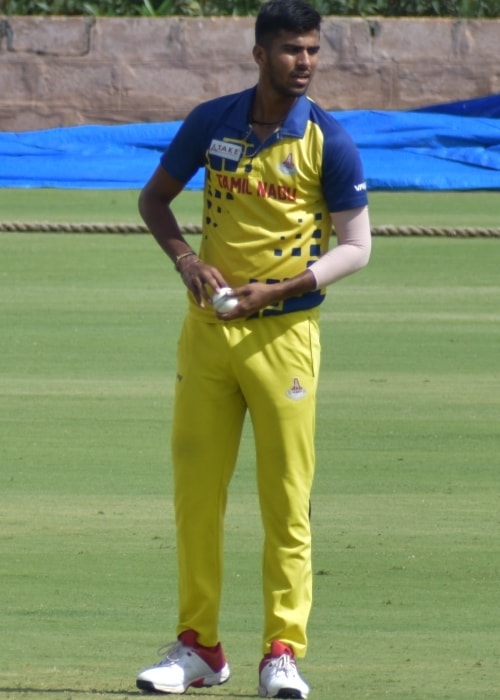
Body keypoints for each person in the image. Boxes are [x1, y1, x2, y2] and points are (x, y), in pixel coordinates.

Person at [135, 1, 371, 697]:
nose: (305, 63)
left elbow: (358, 247)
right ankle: (198, 647)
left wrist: (285, 287)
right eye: (292, 50)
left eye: (313, 51)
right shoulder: (214, 121)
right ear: (260, 53)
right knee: (196, 496)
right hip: (208, 335)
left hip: (287, 335)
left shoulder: (329, 141)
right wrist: (186, 262)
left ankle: (282, 653)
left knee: (285, 502)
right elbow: (154, 201)